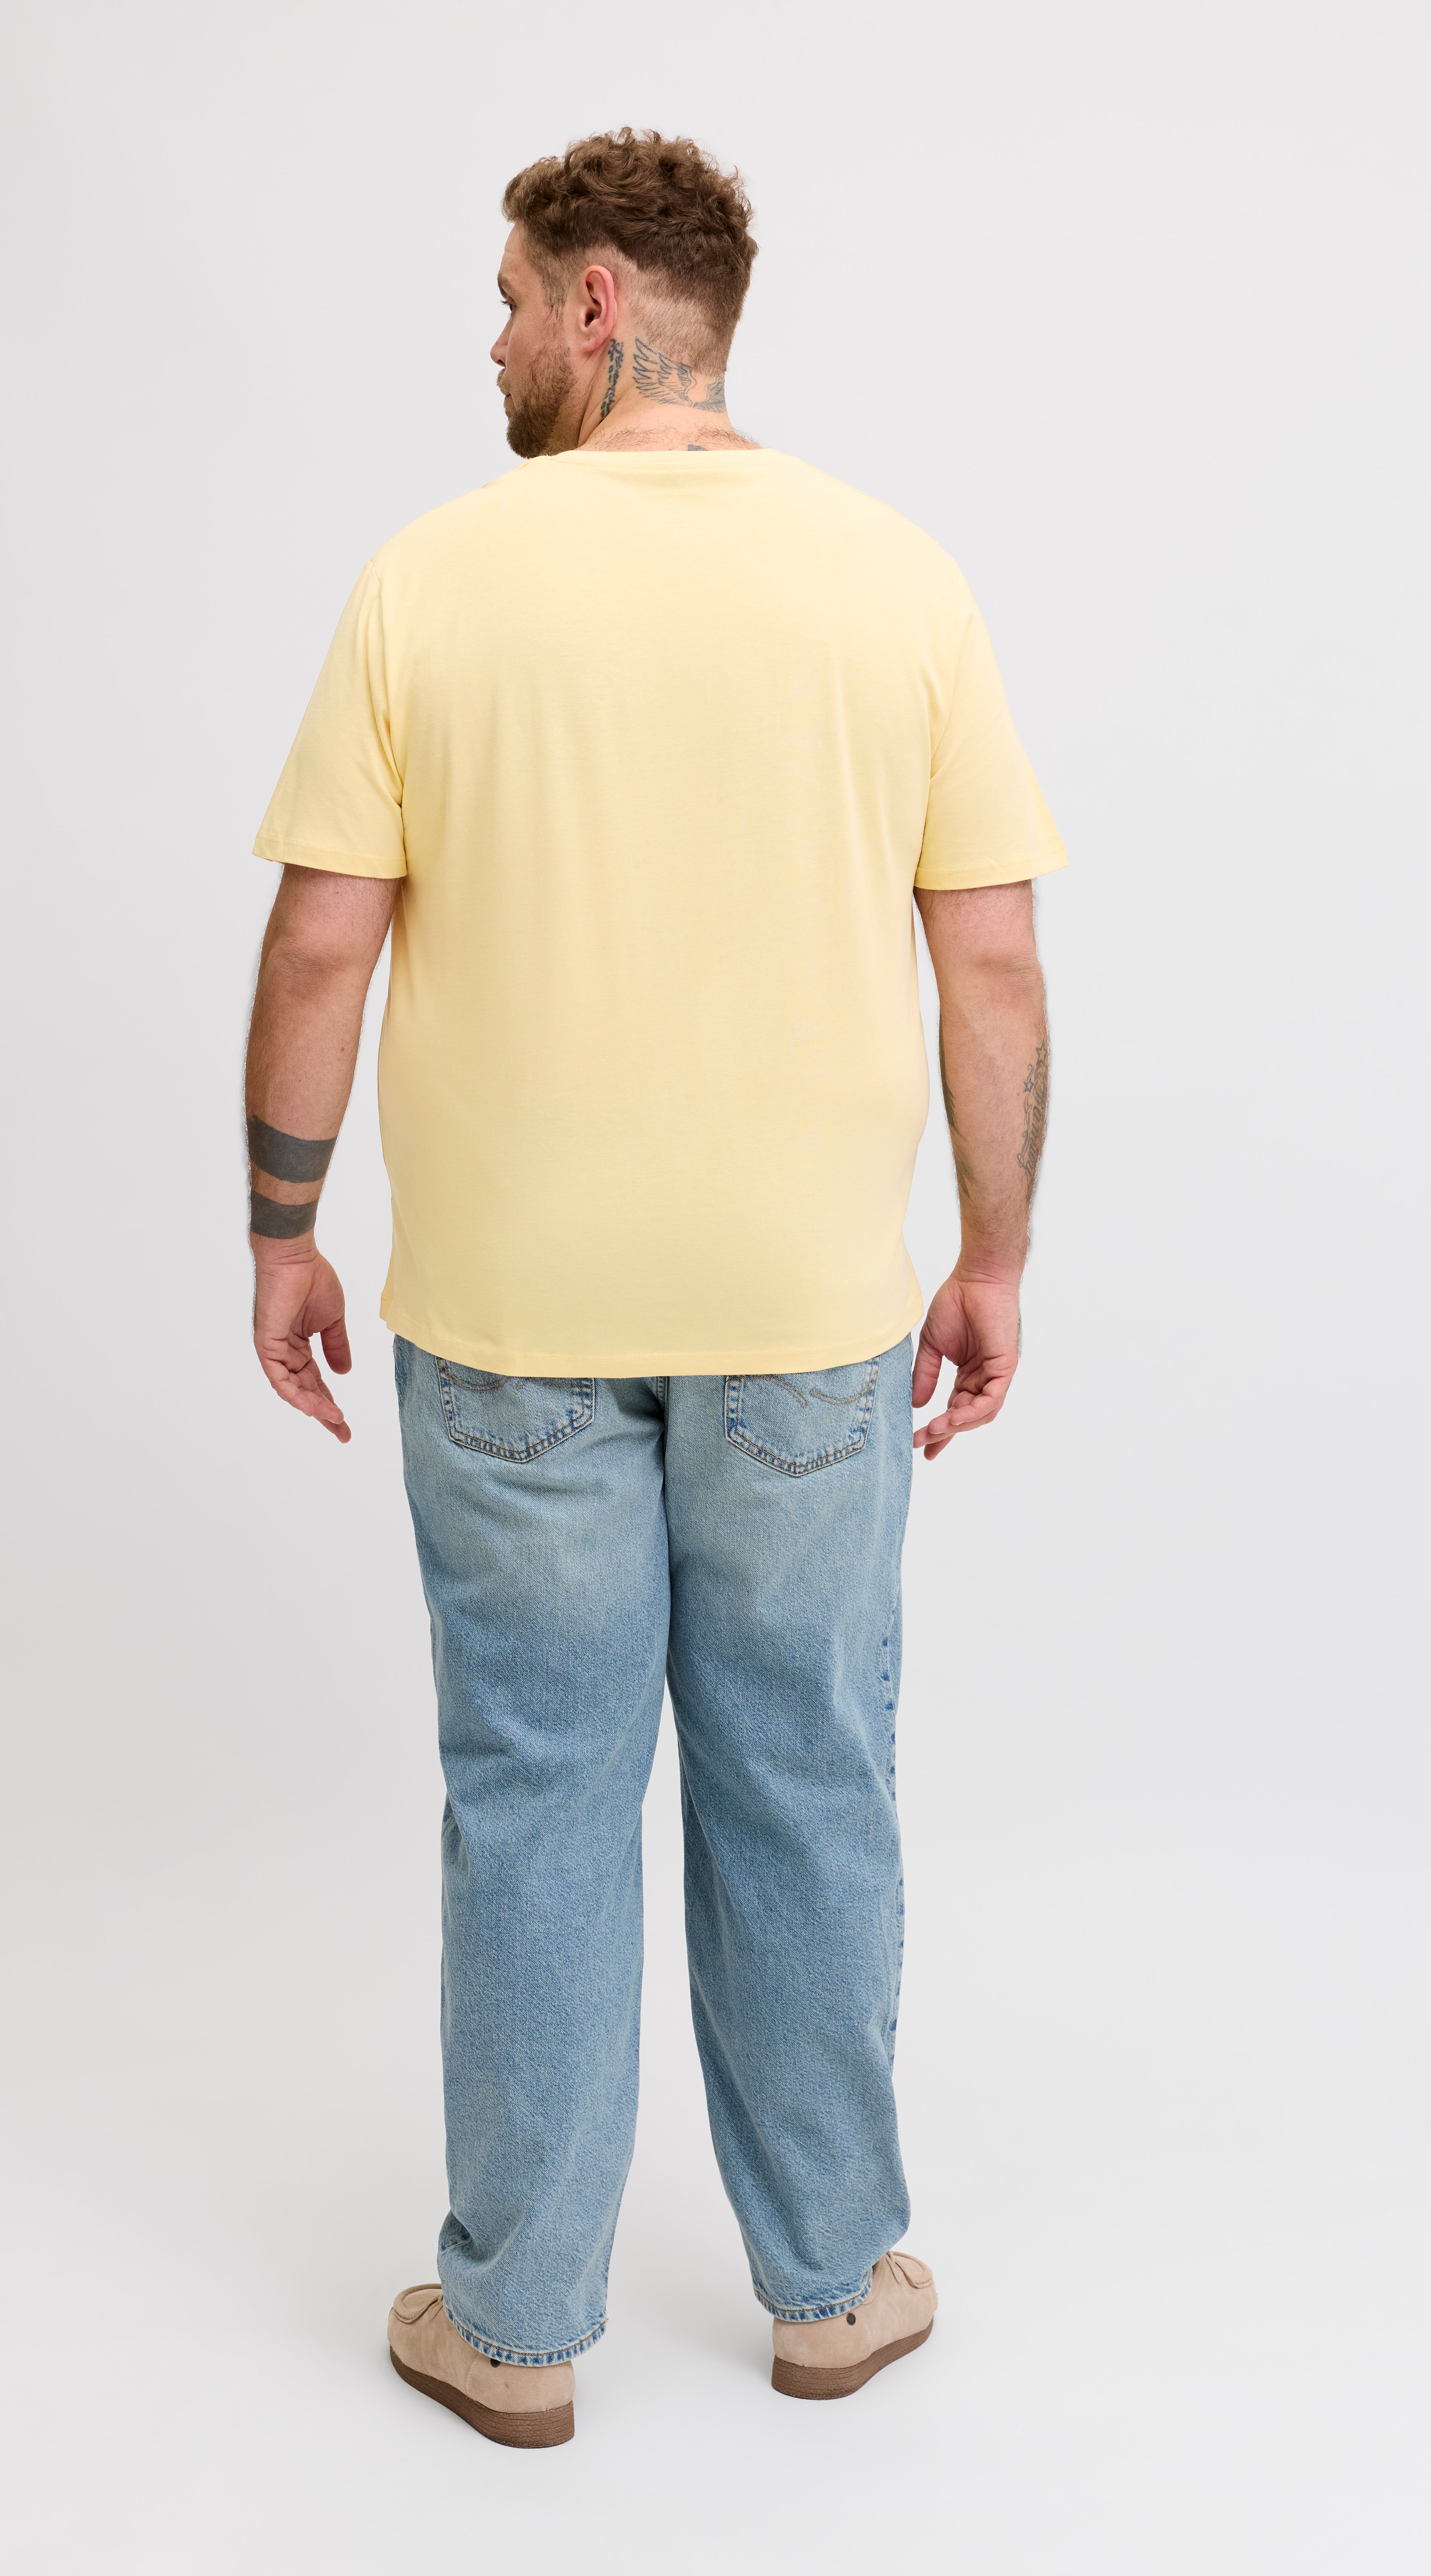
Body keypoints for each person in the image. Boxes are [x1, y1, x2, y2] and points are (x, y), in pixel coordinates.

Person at [242, 128, 1064, 2448]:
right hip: (806, 1317)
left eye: (512, 295)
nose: (493, 336)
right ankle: (831, 2291)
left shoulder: (432, 582)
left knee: (534, 1792)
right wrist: (990, 1256)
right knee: (803, 1777)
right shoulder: (895, 582)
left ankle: (514, 2330)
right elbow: (991, 967)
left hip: (509, 1321)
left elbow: (321, 942)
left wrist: (282, 1225)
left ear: (600, 303)